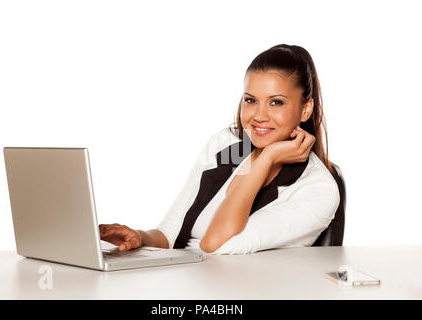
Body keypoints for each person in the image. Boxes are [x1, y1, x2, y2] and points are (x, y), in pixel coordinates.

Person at [99, 44, 340, 255]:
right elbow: (170, 233)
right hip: (180, 280)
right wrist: (140, 237)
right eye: (250, 100)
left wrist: (267, 159)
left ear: (306, 109)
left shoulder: (318, 188)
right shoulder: (226, 146)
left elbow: (216, 244)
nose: (259, 115)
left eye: (276, 102)